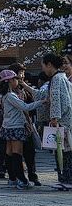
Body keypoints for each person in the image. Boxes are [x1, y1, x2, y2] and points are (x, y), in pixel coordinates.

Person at [0, 69, 44, 189]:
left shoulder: (4, 96)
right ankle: (21, 179)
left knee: (9, 153)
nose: (17, 81)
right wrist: (42, 101)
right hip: (16, 127)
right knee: (17, 154)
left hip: (7, 126)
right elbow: (25, 106)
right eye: (15, 79)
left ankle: (12, 178)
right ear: (10, 81)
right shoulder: (11, 96)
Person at [41, 52, 72, 186]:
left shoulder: (56, 79)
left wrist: (54, 117)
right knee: (67, 151)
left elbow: (57, 100)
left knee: (62, 151)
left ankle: (66, 179)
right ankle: (67, 178)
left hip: (62, 121)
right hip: (67, 118)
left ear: (49, 65)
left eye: (43, 65)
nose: (43, 69)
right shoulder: (63, 77)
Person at [9, 62, 40, 186]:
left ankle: (32, 175)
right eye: (19, 73)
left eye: (22, 73)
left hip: (27, 123)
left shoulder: (25, 89)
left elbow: (31, 105)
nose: (21, 75)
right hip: (16, 125)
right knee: (15, 152)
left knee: (30, 151)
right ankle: (16, 176)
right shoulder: (9, 92)